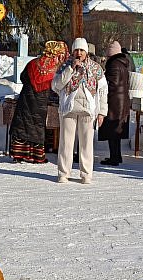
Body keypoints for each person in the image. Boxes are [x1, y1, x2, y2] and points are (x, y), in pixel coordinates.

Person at [52, 37, 108, 184]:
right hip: (68, 109)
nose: (79, 53)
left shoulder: (96, 68)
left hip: (88, 109)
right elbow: (56, 85)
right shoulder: (65, 66)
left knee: (86, 144)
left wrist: (102, 112)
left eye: (82, 50)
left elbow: (103, 91)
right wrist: (71, 69)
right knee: (66, 143)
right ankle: (63, 173)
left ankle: (86, 174)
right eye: (76, 50)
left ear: (86, 52)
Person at [9, 41, 68, 164]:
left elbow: (23, 77)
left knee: (23, 124)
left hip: (26, 97)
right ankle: (36, 156)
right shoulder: (56, 68)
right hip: (42, 100)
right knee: (37, 126)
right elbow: (57, 85)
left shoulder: (33, 63)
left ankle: (18, 154)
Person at [98, 41, 131, 166]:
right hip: (122, 101)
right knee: (116, 131)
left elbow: (113, 84)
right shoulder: (122, 63)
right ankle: (117, 156)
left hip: (114, 101)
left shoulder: (114, 64)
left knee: (112, 130)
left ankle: (114, 158)